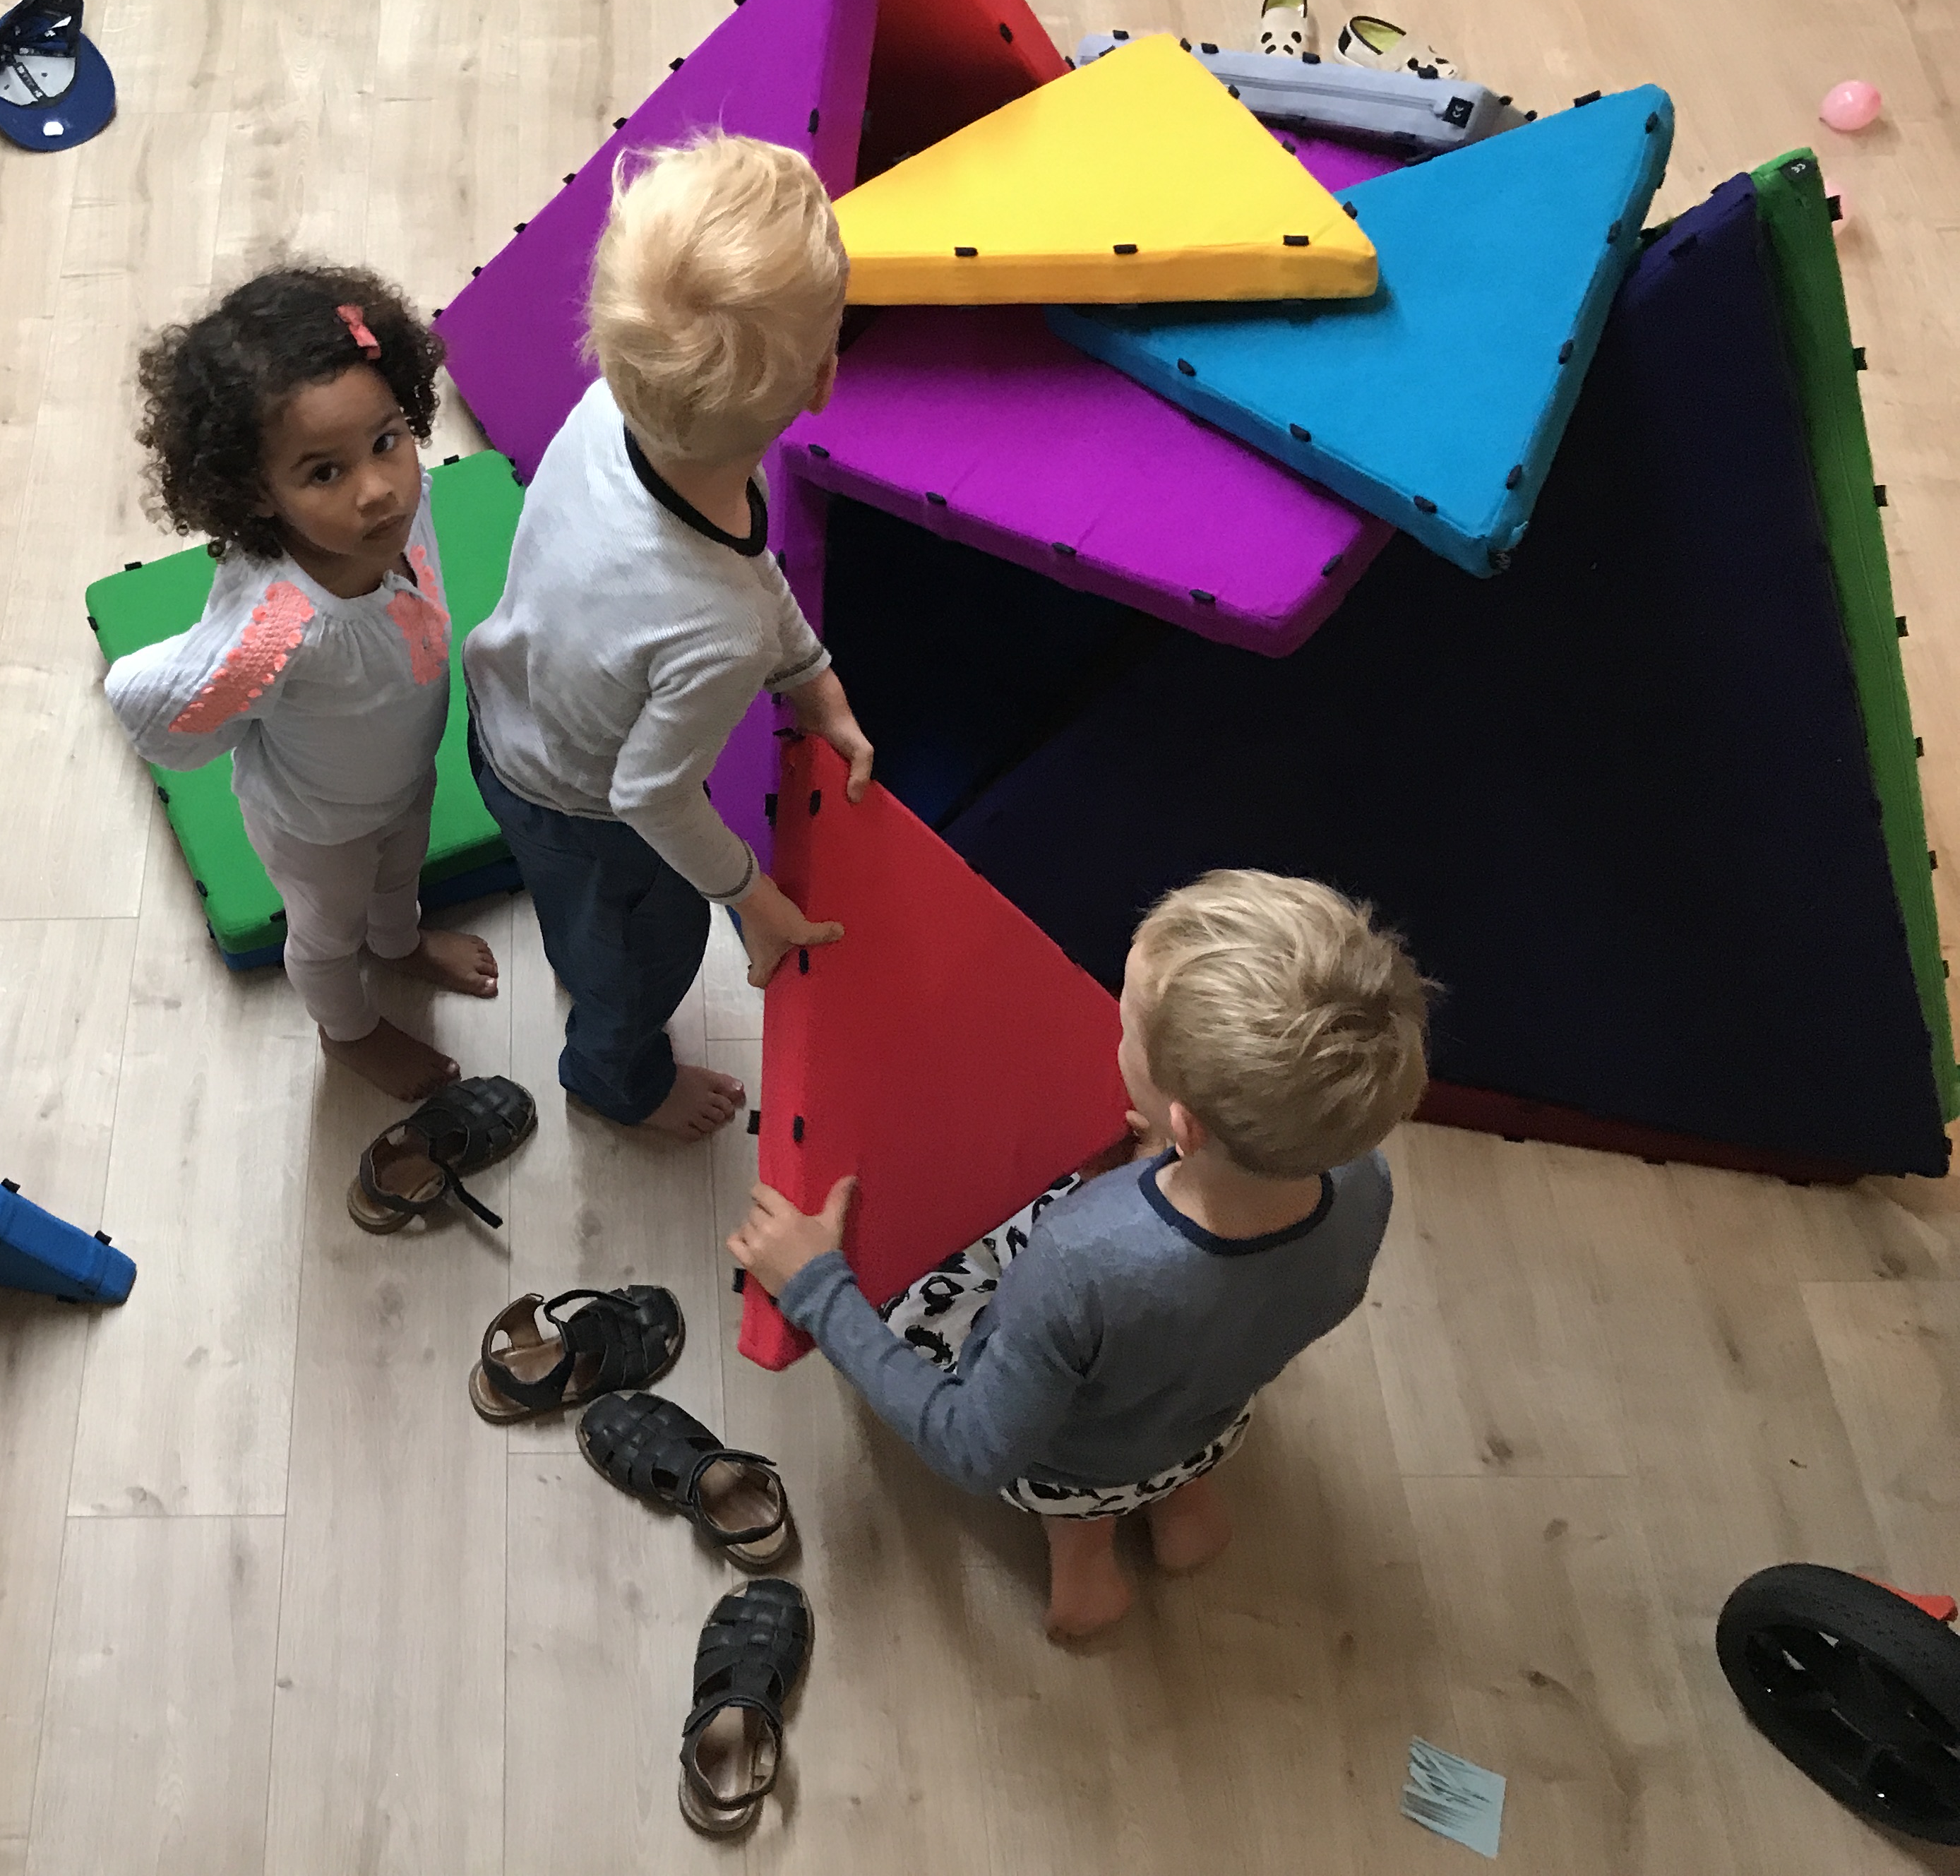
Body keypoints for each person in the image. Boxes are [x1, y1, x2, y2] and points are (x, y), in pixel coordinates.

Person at [728, 870, 1427, 1639]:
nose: (1111, 1031)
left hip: (1066, 1470)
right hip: (1206, 1423)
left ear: (1187, 1125)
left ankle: (1084, 1563)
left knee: (914, 1292)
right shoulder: (1365, 1183)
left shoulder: (1079, 1260)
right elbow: (1251, 1294)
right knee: (1159, 1414)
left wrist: (819, 1288)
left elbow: (974, 1447)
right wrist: (1163, 1163)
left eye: (1125, 1028)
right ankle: (1183, 1506)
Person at [462, 132, 873, 1143]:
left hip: (503, 713)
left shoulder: (611, 408)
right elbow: (647, 795)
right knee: (642, 964)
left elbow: (742, 557)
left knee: (582, 921)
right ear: (822, 381)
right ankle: (617, 1082)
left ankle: (581, 950)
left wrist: (811, 676)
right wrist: (753, 899)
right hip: (586, 808)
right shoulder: (721, 631)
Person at [107, 265, 498, 1104]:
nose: (377, 491)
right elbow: (154, 705)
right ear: (258, 492)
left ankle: (399, 945)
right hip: (316, 826)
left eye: (387, 441)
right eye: (324, 473)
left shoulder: (408, 501)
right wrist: (229, 674)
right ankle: (346, 1033)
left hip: (403, 775)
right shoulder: (280, 628)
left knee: (400, 876)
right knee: (325, 936)